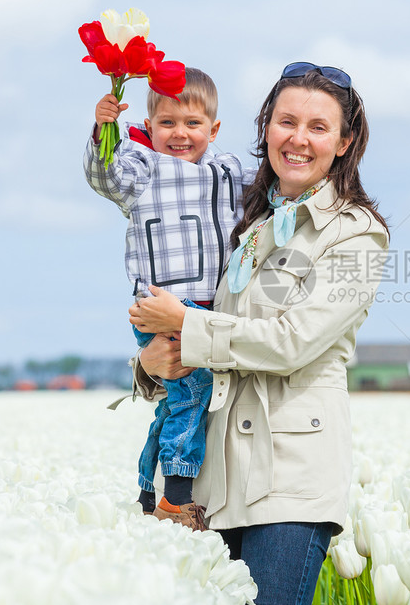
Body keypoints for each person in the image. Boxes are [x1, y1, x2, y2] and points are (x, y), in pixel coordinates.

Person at [128, 62, 389, 605]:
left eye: (318, 127)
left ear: (344, 143)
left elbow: (292, 342)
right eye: (285, 120)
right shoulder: (242, 222)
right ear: (265, 128)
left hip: (290, 485)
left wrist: (184, 323)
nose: (298, 138)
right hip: (212, 486)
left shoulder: (357, 236)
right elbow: (203, 331)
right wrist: (152, 367)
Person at [84, 67, 255, 529]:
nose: (180, 134)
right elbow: (105, 177)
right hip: (161, 304)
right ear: (151, 124)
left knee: (176, 401)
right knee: (193, 394)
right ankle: (176, 498)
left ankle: (146, 488)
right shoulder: (141, 168)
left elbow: (275, 183)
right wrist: (105, 129)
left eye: (192, 123)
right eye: (167, 123)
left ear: (213, 129)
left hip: (208, 305)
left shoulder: (229, 172)